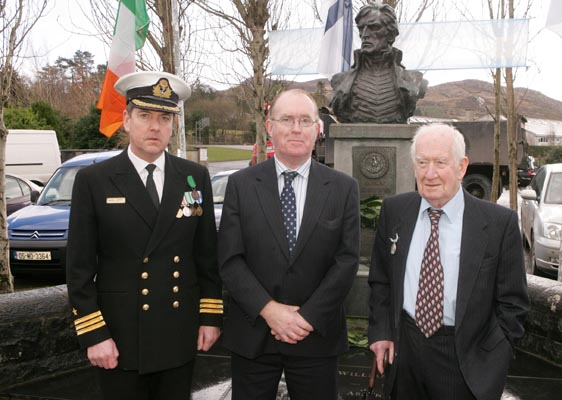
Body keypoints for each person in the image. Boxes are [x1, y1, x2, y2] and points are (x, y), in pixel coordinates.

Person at [66, 71, 223, 400]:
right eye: (145, 116)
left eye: (164, 117)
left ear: (173, 125)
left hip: (178, 333)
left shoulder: (194, 177)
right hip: (120, 338)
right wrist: (94, 334)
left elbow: (207, 256)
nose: (155, 126)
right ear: (126, 120)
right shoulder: (95, 180)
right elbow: (79, 268)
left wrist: (210, 317)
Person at [368, 123, 530, 399]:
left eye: (440, 162)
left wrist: (494, 358)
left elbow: (514, 304)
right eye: (422, 162)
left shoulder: (498, 224)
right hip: (405, 353)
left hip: (465, 360)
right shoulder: (394, 210)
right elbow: (382, 280)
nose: (430, 173)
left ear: (462, 166)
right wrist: (381, 332)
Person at [218, 89, 360, 399]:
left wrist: (306, 318)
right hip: (254, 333)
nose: (296, 128)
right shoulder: (241, 185)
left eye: (305, 120)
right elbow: (230, 259)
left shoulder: (343, 188)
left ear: (317, 129)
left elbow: (346, 261)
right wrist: (270, 311)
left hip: (316, 335)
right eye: (287, 119)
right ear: (270, 127)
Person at [330, 2, 427, 124]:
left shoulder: (413, 81)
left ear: (390, 35)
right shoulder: (341, 81)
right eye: (361, 28)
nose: (364, 35)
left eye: (374, 27)